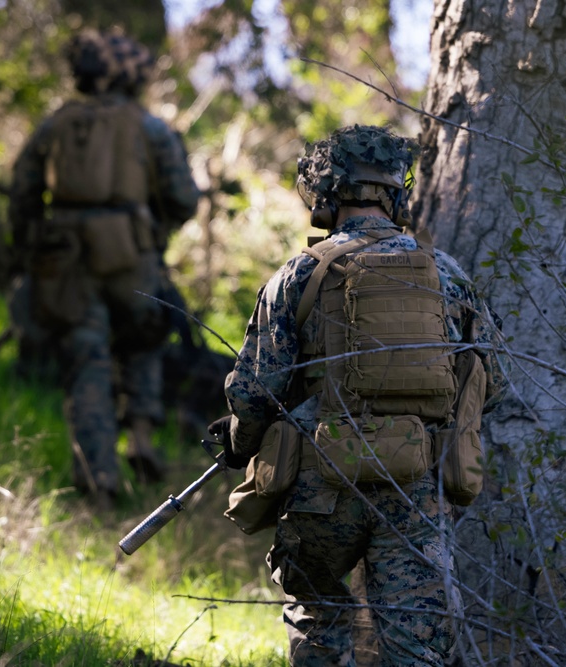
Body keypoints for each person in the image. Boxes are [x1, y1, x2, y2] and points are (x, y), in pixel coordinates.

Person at [209, 125, 508, 665]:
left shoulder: (299, 274)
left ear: (324, 194)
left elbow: (256, 393)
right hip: (415, 486)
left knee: (319, 619)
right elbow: (492, 379)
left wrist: (238, 442)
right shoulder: (445, 273)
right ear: (396, 192)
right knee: (416, 642)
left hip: (322, 485)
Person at [8, 28, 200, 509]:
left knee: (85, 361)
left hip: (66, 256)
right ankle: (140, 433)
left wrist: (33, 243)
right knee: (144, 341)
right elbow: (183, 198)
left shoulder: (56, 124)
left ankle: (98, 480)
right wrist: (153, 233)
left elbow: (23, 190)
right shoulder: (150, 127)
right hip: (131, 254)